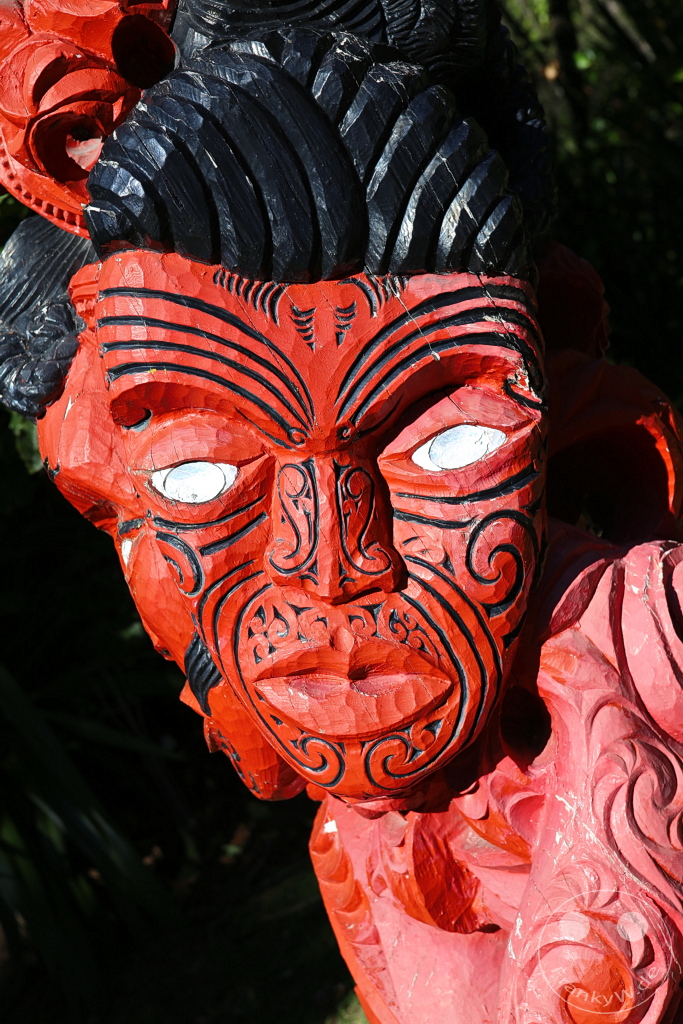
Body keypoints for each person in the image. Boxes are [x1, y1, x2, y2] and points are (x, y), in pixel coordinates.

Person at [0, 1, 681, 1021]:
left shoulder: (634, 645)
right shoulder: (354, 838)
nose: (331, 559)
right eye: (197, 478)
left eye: (446, 445)